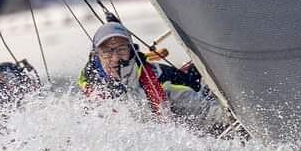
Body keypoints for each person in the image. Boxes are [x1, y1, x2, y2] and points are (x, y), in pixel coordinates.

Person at [78, 22, 207, 116]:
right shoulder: (90, 78)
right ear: (96, 54)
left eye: (121, 49)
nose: (115, 58)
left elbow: (204, 108)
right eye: (106, 51)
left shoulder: (162, 78)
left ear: (131, 50)